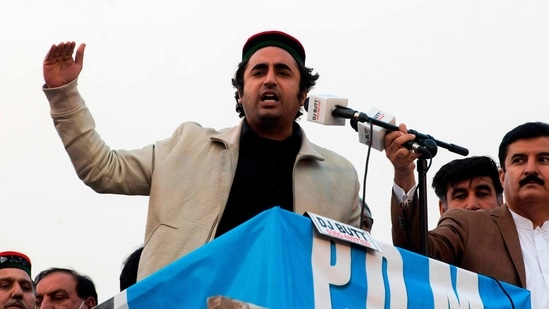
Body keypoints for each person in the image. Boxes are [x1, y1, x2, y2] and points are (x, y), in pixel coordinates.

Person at [42, 30, 361, 280]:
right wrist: (65, 94)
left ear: (303, 93)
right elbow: (102, 169)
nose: (269, 79)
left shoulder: (339, 176)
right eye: (258, 71)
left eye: (283, 72)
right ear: (240, 91)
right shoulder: (188, 145)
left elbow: (364, 267)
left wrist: (402, 175)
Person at [386, 121, 549, 308]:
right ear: (502, 177)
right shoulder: (468, 225)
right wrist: (404, 173)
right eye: (519, 160)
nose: (530, 169)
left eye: (544, 159)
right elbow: (414, 253)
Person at [385, 126, 503, 217]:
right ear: (442, 209)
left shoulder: (520, 244)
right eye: (460, 196)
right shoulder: (435, 247)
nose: (472, 205)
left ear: (501, 202)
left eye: (482, 194)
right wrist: (403, 171)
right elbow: (410, 242)